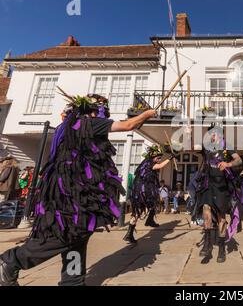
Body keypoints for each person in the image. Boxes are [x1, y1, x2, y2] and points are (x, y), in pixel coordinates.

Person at [0, 94, 157, 286]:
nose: (103, 114)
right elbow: (127, 126)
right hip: (71, 194)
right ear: (93, 111)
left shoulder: (69, 127)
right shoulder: (87, 123)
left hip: (70, 192)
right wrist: (147, 114)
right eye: (101, 110)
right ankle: (11, 261)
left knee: (78, 235)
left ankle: (72, 282)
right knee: (64, 236)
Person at [193, 123, 243, 264]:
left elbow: (239, 160)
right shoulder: (206, 147)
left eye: (213, 133)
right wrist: (188, 133)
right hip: (208, 185)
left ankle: (221, 248)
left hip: (222, 186)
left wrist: (227, 164)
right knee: (206, 210)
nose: (211, 135)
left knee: (221, 217)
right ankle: (208, 244)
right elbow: (194, 147)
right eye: (209, 133)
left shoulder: (227, 147)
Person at [123, 146, 174, 244]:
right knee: (155, 201)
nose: (159, 160)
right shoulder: (150, 163)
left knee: (136, 213)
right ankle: (149, 220)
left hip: (138, 191)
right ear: (152, 156)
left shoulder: (144, 163)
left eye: (160, 158)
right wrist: (170, 158)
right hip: (144, 189)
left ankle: (129, 234)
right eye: (158, 158)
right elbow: (160, 166)